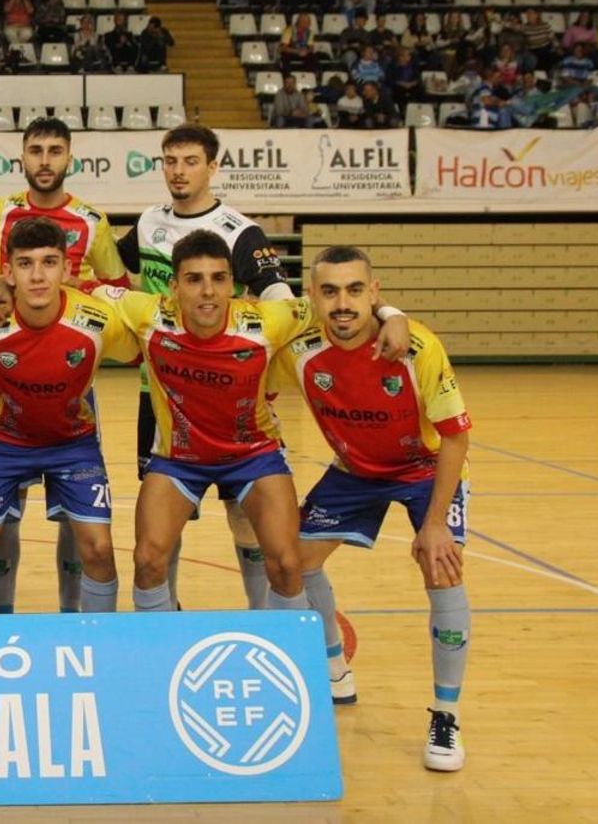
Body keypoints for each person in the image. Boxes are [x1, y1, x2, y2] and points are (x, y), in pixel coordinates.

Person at [91, 231, 407, 616]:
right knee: (148, 559)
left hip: (254, 456)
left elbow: (337, 297)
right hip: (178, 458)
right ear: (173, 287)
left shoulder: (268, 321)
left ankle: (283, 652)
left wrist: (392, 314)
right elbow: (88, 291)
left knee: (288, 563)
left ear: (234, 285)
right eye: (194, 280)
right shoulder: (148, 314)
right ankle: (162, 653)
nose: (208, 291)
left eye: (218, 279)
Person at [274, 245, 473, 772]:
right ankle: (334, 665)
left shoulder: (418, 348)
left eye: (356, 291)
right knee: (294, 561)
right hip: (354, 472)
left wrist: (434, 524)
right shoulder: (298, 347)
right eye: (331, 291)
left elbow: (455, 437)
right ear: (312, 296)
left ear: (375, 292)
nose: (344, 304)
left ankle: (446, 716)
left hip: (426, 468)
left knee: (442, 568)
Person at [132, 125, 294, 609]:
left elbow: (280, 299)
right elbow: (112, 277)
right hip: (160, 393)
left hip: (230, 396)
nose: (179, 171)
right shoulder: (147, 224)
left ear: (213, 167)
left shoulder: (240, 231)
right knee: (163, 519)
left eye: (190, 161)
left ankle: (261, 614)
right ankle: (170, 611)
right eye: (170, 161)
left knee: (243, 516)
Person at [0, 117, 129, 612]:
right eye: (36, 150)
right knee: (6, 520)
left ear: (70, 158)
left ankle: (70, 614)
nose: (45, 160)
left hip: (70, 387)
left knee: (75, 519)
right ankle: (3, 614)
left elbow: (119, 291)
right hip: (4, 385)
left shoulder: (91, 221)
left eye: (55, 151)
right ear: (21, 157)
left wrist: (74, 302)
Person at [0, 218, 140, 614]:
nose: (37, 276)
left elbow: (149, 341)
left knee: (100, 549)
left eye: (49, 262)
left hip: (72, 444)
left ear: (67, 269)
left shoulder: (99, 321)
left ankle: (97, 642)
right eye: (25, 264)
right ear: (8, 272)